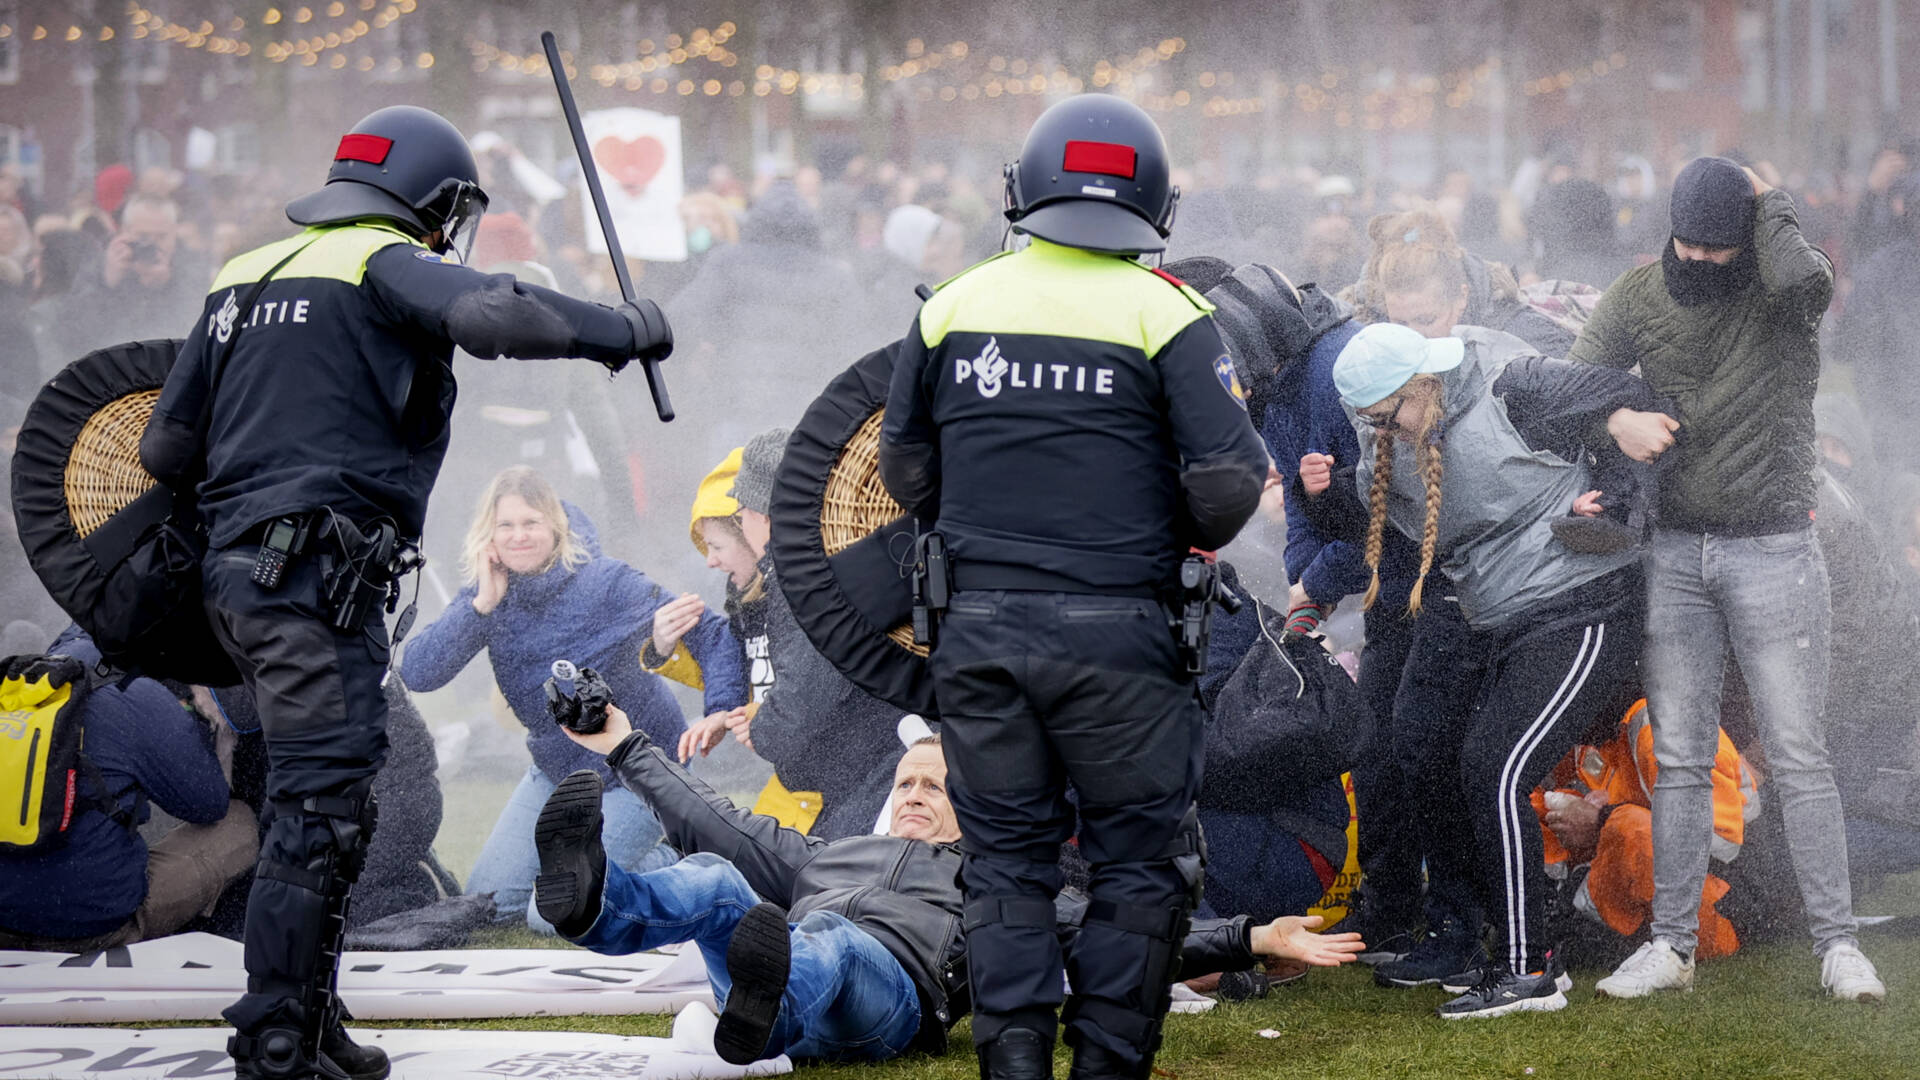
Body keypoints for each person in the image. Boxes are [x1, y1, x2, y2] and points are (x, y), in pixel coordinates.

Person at [136, 105, 675, 1080]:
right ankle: (277, 1037)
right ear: (431, 202)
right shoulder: (380, 260)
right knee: (318, 810)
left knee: (328, 796)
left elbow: (163, 446)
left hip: (228, 585)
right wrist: (622, 330)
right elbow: (497, 314)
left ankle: (307, 1011)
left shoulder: (239, 277)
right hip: (311, 581)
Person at [877, 94, 1269, 1078]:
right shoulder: (1170, 314)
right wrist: (1146, 531)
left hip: (980, 637)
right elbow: (1228, 483)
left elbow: (904, 472)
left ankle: (1012, 1067)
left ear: (1023, 191)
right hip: (1124, 641)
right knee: (1140, 868)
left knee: (1005, 864)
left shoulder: (953, 306)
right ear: (1157, 204)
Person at [531, 706, 1364, 1067]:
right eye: (908, 784)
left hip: (891, 1000)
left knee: (828, 942)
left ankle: (766, 1000)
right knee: (714, 872)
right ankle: (595, 906)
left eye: (939, 786)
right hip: (786, 973)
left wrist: (1253, 937)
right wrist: (621, 741)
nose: (917, 793)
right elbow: (713, 817)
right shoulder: (830, 857)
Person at [1566, 155, 1886, 1004]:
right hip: (1674, 553)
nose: (1701, 259)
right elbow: (1568, 378)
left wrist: (1768, 193)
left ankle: (1839, 946)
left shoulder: (1783, 292)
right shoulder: (1637, 295)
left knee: (1799, 754)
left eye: (1719, 243)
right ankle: (1671, 946)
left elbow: (1806, 279)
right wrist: (1615, 415)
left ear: (1748, 234)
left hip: (1777, 547)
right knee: (1677, 756)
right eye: (1688, 242)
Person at [1303, 321, 1658, 1018]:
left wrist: (1618, 497)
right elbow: (1383, 529)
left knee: (1496, 766)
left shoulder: (1512, 386)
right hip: (1499, 618)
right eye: (1369, 421)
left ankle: (1530, 970)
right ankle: (1487, 942)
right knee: (1445, 753)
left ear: (1425, 384)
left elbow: (1629, 397)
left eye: (1390, 414)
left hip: (1583, 602)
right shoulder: (1392, 444)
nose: (1383, 430)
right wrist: (1326, 498)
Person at [400, 466, 746, 930]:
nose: (519, 536)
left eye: (531, 523)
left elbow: (709, 629)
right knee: (490, 903)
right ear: (489, 535)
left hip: (637, 770)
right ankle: (600, 862)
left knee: (549, 916)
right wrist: (479, 606)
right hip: (558, 771)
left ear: (555, 526)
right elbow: (418, 673)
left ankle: (681, 854)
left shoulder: (604, 581)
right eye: (506, 525)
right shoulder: (488, 598)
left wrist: (719, 710)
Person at [671, 430, 910, 841]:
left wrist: (765, 728)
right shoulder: (835, 557)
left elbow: (808, 686)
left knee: (820, 886)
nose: (742, 521)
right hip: (858, 770)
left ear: (764, 514)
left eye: (743, 509)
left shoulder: (804, 578)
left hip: (869, 772)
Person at [0, 631, 258, 950]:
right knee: (240, 824)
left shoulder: (12, 685)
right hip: (93, 929)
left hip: (4, 920)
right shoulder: (136, 694)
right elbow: (209, 804)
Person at [1533, 699, 1759, 965]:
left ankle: (1587, 934)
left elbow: (1719, 842)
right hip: (1663, 888)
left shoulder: (1659, 724)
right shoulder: (1596, 740)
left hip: (1723, 899)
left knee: (1628, 826)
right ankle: (1539, 915)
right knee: (1542, 803)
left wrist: (1599, 820)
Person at [1353, 208, 1574, 356]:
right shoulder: (1365, 336)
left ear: (1461, 297)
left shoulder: (1521, 339)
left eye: (1426, 320)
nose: (1412, 338)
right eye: (1400, 325)